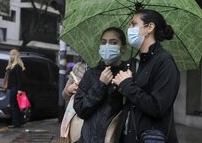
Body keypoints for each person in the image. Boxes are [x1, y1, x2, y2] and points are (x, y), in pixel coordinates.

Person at [112, 9, 180, 143]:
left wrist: (126, 85)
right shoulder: (134, 61)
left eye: (134, 24)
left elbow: (157, 107)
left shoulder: (164, 62)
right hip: (127, 136)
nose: (129, 29)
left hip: (148, 137)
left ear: (149, 27)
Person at [73, 27, 128, 143]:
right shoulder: (91, 74)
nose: (107, 46)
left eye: (113, 42)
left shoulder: (128, 75)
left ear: (123, 48)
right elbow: (80, 109)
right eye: (104, 42)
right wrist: (100, 84)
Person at [6, 49, 25, 128]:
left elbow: (19, 79)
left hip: (15, 88)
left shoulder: (17, 66)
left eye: (12, 55)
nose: (11, 56)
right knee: (16, 106)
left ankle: (15, 123)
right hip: (13, 87)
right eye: (10, 55)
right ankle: (19, 122)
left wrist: (19, 89)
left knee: (14, 105)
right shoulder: (12, 65)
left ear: (16, 55)